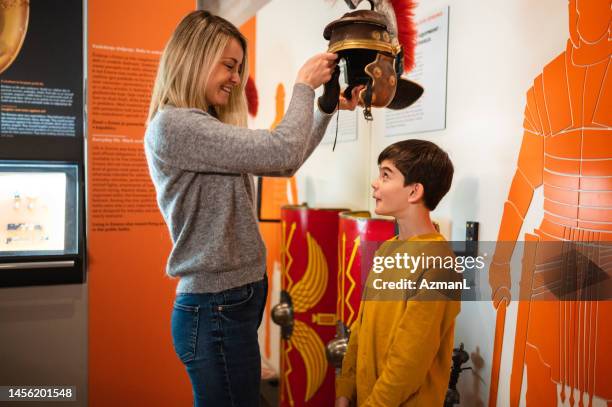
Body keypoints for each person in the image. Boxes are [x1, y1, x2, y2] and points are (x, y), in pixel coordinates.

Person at [144, 10, 361, 407]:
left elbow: (284, 161)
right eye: (228, 65)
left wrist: (325, 107)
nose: (235, 78)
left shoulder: (199, 126)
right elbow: (281, 147)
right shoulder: (175, 125)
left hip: (229, 305)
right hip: (217, 308)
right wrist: (303, 87)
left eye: (238, 68)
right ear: (193, 58)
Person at [335, 139, 461, 407]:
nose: (375, 183)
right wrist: (345, 389)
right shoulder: (386, 251)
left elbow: (410, 360)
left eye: (386, 175)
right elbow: (361, 327)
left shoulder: (439, 263)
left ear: (414, 191)